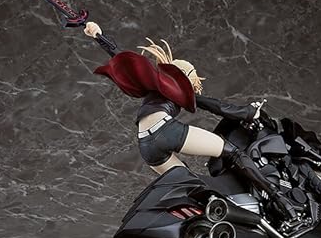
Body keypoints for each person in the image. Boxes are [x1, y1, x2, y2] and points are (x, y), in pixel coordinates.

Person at [84, 21, 296, 220]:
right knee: (233, 153)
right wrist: (250, 113)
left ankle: (213, 222)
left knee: (191, 185)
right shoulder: (176, 86)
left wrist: (98, 36)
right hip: (164, 131)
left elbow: (123, 58)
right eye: (193, 74)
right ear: (185, 75)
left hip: (146, 146)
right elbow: (217, 106)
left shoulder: (155, 84)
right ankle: (281, 200)